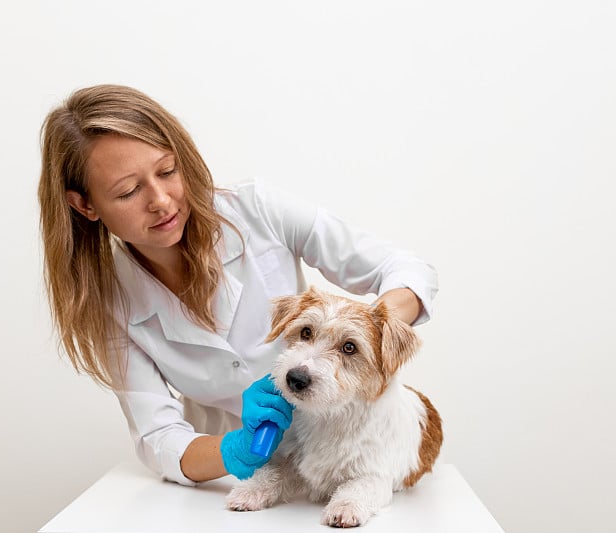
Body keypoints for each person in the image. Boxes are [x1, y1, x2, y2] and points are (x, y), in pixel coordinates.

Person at [38, 84, 438, 486]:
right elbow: (158, 438)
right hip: (235, 480)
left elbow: (406, 268)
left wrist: (378, 325)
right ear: (85, 205)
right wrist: (238, 448)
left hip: (344, 454)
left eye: (167, 171)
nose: (161, 200)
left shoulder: (256, 210)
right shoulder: (109, 303)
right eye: (128, 191)